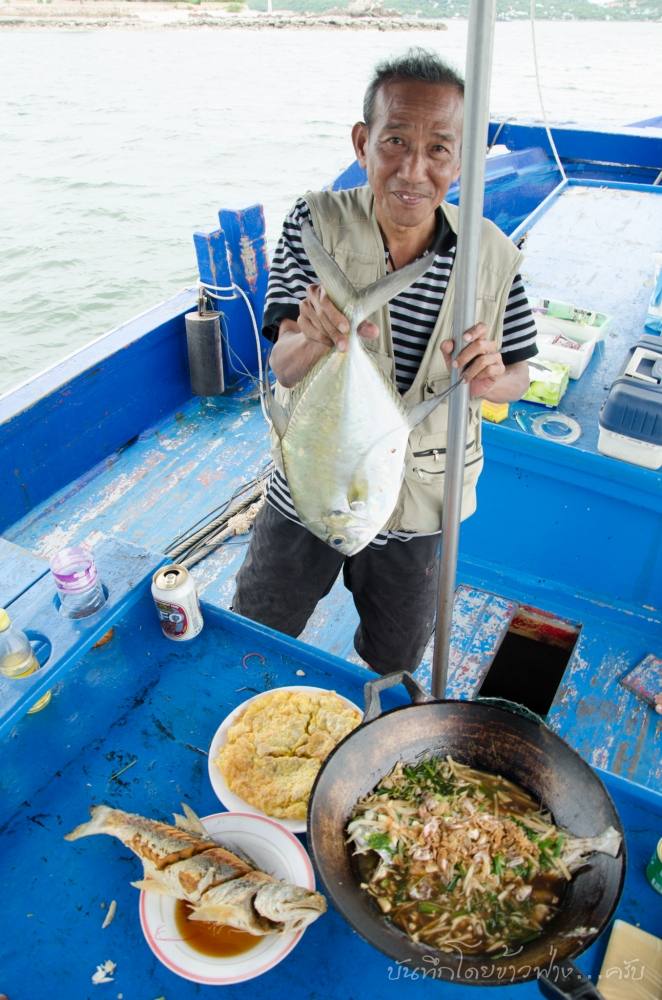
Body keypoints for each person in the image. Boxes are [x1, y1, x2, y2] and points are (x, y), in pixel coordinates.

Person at [232, 48, 537, 675]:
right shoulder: (313, 222)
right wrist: (314, 336)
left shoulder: (492, 254)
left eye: (439, 150)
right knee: (255, 629)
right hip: (311, 491)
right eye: (395, 141)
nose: (413, 170)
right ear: (362, 141)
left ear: (462, 157)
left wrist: (489, 375)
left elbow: (521, 374)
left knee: (395, 661)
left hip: (420, 506)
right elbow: (285, 368)